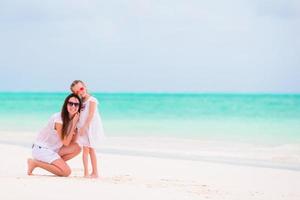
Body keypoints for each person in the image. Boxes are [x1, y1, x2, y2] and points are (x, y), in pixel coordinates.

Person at [27, 93, 82, 177]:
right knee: (66, 172)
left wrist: (76, 126)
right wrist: (74, 124)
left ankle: (55, 165)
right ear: (66, 104)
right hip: (42, 149)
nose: (73, 106)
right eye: (70, 103)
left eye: (76, 104)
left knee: (77, 148)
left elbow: (72, 142)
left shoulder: (73, 119)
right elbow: (66, 143)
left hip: (54, 149)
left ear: (79, 107)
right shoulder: (58, 119)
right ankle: (35, 163)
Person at [70, 80, 104, 178]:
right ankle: (86, 172)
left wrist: (85, 127)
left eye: (81, 88)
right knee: (85, 149)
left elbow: (91, 115)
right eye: (77, 92)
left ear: (85, 86)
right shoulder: (80, 102)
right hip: (82, 128)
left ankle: (95, 172)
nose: (80, 92)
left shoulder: (92, 100)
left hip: (90, 128)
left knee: (91, 149)